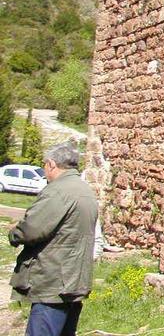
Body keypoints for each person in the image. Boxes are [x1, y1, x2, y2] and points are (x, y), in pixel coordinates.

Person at [8, 143, 98, 336]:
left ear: (51, 164)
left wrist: (14, 233)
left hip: (53, 283)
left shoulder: (58, 190)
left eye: (44, 166)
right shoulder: (85, 190)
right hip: (74, 280)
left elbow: (32, 229)